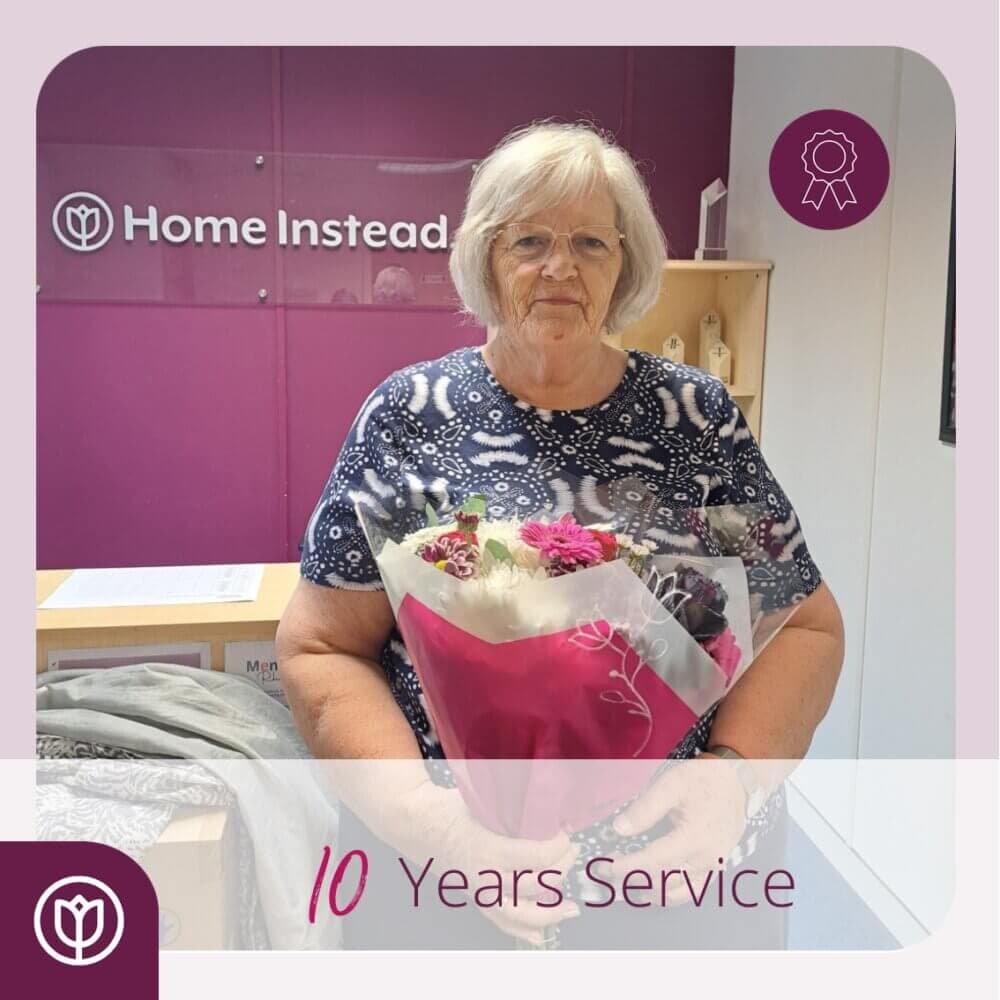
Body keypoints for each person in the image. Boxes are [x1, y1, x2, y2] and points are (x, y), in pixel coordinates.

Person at [277, 122, 845, 949]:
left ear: (625, 266)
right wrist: (433, 829)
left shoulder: (694, 418)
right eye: (530, 240)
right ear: (485, 256)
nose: (559, 268)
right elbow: (323, 649)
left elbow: (806, 626)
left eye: (590, 242)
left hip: (676, 880)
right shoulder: (406, 417)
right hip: (451, 883)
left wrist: (735, 782)